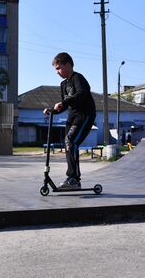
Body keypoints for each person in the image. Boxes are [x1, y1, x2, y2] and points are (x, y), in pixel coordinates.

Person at [43, 52, 96, 189]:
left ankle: (74, 178)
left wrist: (64, 101)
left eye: (58, 68)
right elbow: (65, 105)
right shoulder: (63, 84)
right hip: (72, 117)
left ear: (67, 65)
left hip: (85, 115)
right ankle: (72, 178)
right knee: (68, 144)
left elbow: (82, 94)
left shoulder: (78, 78)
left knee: (71, 141)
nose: (57, 72)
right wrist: (52, 110)